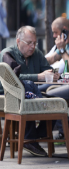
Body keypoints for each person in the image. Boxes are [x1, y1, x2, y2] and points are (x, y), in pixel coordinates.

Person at [0, 26, 60, 157]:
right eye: (29, 43)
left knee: (54, 103)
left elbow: (48, 70)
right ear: (18, 41)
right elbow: (12, 79)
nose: (32, 46)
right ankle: (29, 139)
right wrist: (38, 76)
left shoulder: (36, 53)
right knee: (27, 97)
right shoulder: (7, 54)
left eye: (34, 43)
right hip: (7, 93)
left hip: (30, 93)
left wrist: (54, 74)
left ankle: (33, 138)